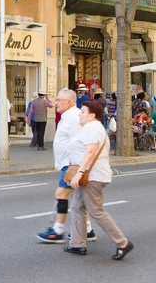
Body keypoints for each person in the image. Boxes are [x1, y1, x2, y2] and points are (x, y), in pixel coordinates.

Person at [65, 101, 134, 260]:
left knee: (96, 211)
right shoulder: (91, 128)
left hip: (92, 176)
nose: (79, 114)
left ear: (91, 115)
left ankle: (122, 242)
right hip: (90, 176)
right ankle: (77, 244)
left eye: (82, 111)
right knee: (76, 206)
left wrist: (78, 173)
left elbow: (90, 152)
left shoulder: (92, 128)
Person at [36, 89, 96, 244]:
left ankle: (58, 230)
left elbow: (81, 142)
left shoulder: (74, 118)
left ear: (68, 102)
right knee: (78, 198)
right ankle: (88, 230)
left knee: (61, 193)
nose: (55, 103)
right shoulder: (68, 116)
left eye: (58, 100)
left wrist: (77, 167)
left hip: (71, 164)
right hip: (70, 163)